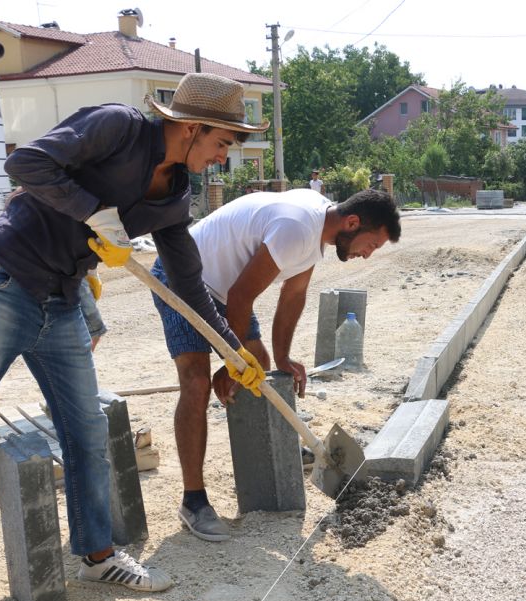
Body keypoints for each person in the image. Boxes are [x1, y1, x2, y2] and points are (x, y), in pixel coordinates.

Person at [0, 72, 270, 601]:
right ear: (194, 128)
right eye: (222, 143)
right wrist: (91, 210)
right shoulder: (116, 127)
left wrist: (232, 347)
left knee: (87, 433)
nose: (223, 157)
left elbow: (190, 283)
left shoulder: (174, 195)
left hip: (63, 302)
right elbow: (25, 164)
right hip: (2, 284)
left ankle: (97, 557)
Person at [151, 188, 400, 541]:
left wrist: (282, 357)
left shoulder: (319, 231)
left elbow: (293, 294)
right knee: (196, 382)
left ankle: (268, 460)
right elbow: (241, 297)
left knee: (263, 366)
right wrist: (233, 360)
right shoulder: (297, 227)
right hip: (180, 275)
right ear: (353, 222)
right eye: (371, 245)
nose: (367, 255)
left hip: (222, 289)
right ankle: (193, 501)